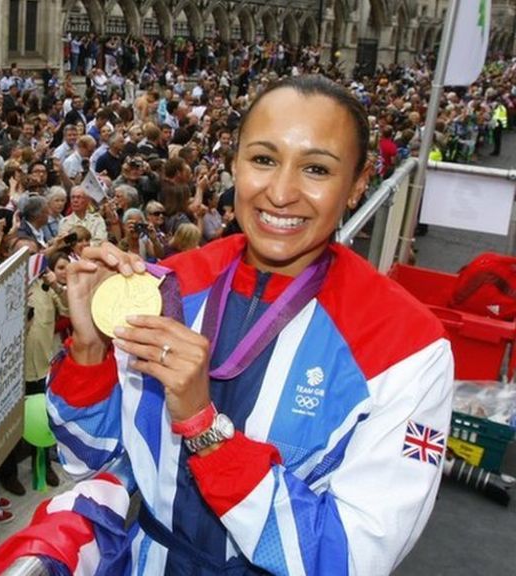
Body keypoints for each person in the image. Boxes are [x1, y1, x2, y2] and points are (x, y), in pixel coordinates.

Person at [35, 75, 453, 574]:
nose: (280, 193)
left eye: (316, 168)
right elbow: (89, 460)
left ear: (359, 183)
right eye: (263, 159)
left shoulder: (406, 343)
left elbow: (352, 559)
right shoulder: (168, 285)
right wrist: (89, 349)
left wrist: (205, 430)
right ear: (234, 164)